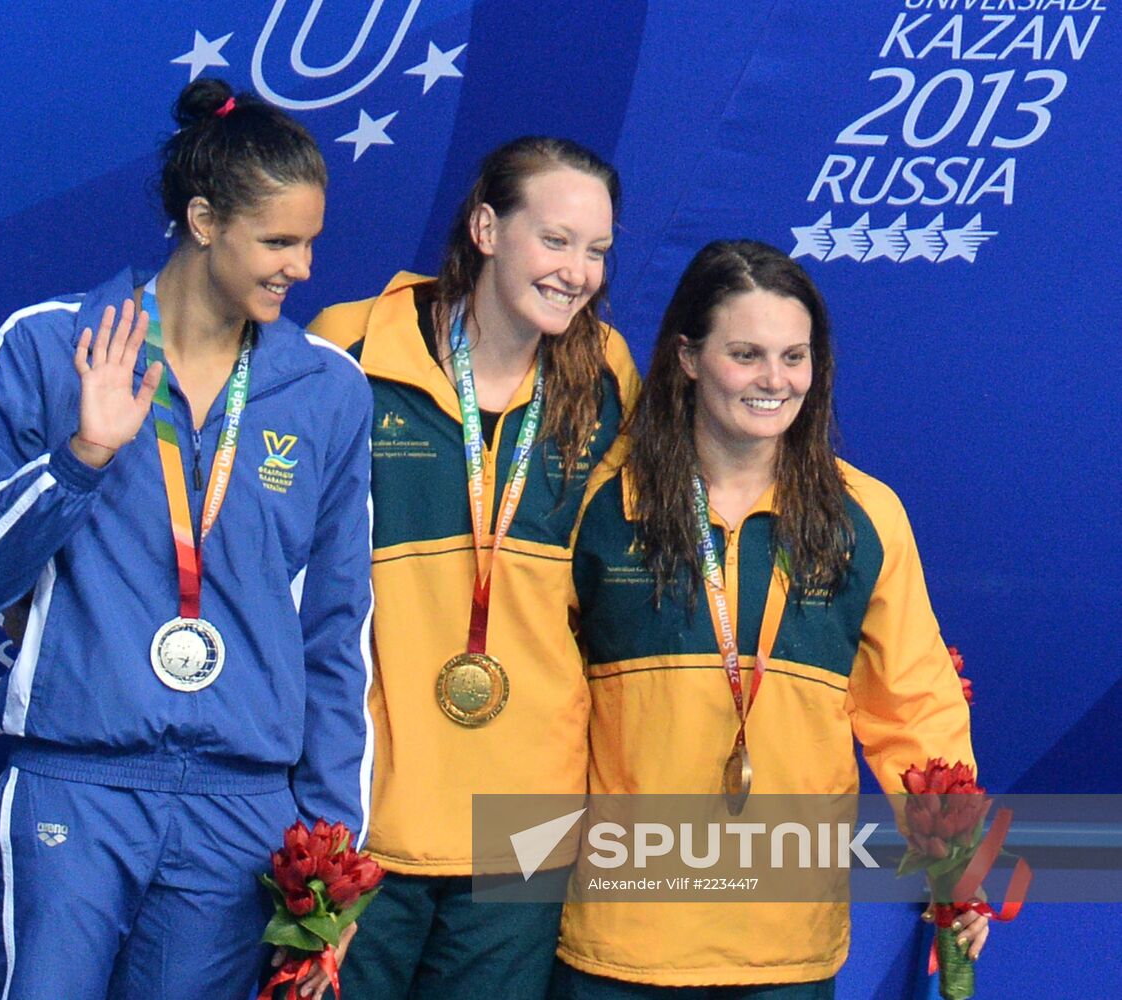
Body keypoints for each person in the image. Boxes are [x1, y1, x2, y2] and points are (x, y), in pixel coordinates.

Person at [0, 78, 374, 1000]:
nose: (302, 268)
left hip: (243, 808)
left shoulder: (327, 390)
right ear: (204, 219)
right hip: (77, 783)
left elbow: (336, 631)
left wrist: (330, 835)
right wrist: (82, 456)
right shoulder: (54, 348)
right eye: (280, 241)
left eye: (310, 242)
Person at [551, 240, 986, 997]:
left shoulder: (863, 515)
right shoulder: (600, 502)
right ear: (687, 357)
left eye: (795, 356)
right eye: (746, 354)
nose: (774, 381)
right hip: (621, 934)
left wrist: (957, 862)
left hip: (784, 942)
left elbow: (914, 706)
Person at [308, 136, 640, 998]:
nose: (578, 271)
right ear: (487, 228)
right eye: (556, 239)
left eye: (598, 249)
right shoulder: (349, 347)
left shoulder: (605, 374)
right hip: (372, 807)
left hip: (526, 823)